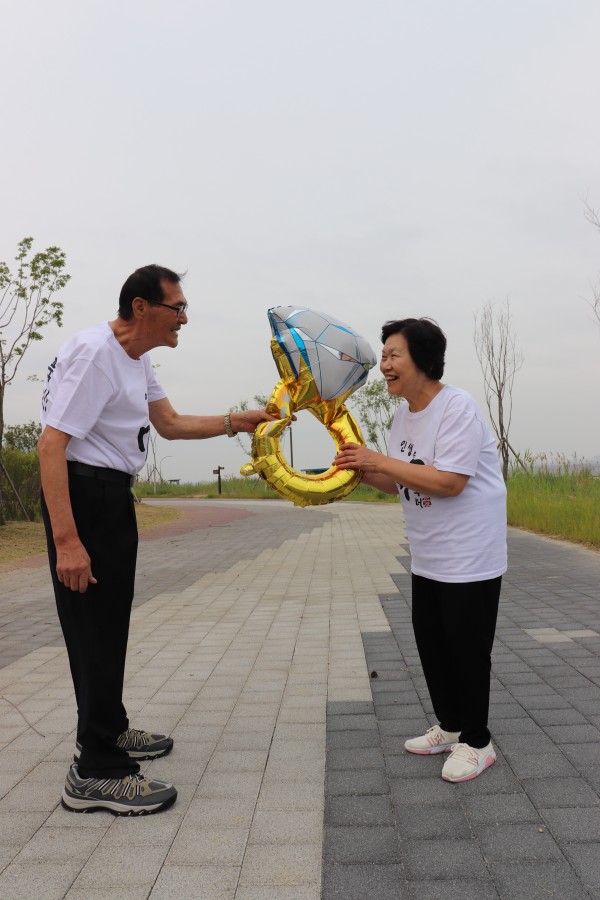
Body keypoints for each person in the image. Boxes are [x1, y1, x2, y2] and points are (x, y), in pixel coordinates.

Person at [38, 264, 273, 815]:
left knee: (109, 622)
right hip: (84, 498)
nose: (185, 319)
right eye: (178, 308)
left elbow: (167, 423)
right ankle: (95, 771)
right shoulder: (95, 353)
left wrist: (240, 421)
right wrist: (68, 542)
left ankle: (110, 729)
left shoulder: (135, 359)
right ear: (141, 307)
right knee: (92, 628)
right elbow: (52, 446)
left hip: (111, 496)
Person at [334, 317, 507, 783]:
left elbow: (450, 481)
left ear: (423, 361)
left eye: (394, 355)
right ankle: (451, 726)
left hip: (470, 556)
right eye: (384, 355)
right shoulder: (404, 414)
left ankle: (478, 741)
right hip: (429, 555)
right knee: (432, 642)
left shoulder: (457, 408)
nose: (384, 365)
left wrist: (377, 459)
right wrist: (358, 471)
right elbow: (401, 479)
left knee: (467, 649)